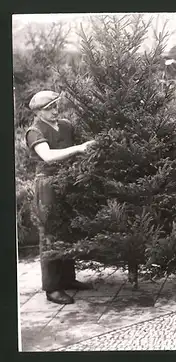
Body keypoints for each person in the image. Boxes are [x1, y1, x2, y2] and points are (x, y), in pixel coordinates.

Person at [25, 90, 96, 304]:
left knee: (67, 228)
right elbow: (47, 156)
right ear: (38, 112)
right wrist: (78, 149)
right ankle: (52, 288)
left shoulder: (65, 125)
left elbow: (85, 139)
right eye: (50, 109)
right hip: (47, 184)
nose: (56, 111)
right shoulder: (34, 131)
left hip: (68, 181)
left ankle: (68, 279)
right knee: (50, 233)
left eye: (57, 106)